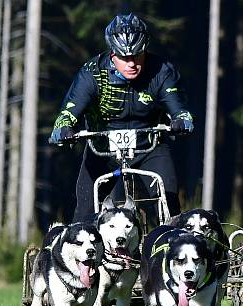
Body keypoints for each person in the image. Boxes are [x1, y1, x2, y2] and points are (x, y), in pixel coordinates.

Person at [49, 12, 194, 222]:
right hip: (102, 149)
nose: (131, 63)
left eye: (137, 55)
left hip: (149, 146)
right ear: (112, 54)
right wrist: (63, 129)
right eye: (124, 57)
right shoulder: (92, 73)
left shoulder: (162, 72)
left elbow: (179, 108)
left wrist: (182, 120)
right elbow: (68, 113)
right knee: (84, 212)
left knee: (170, 204)